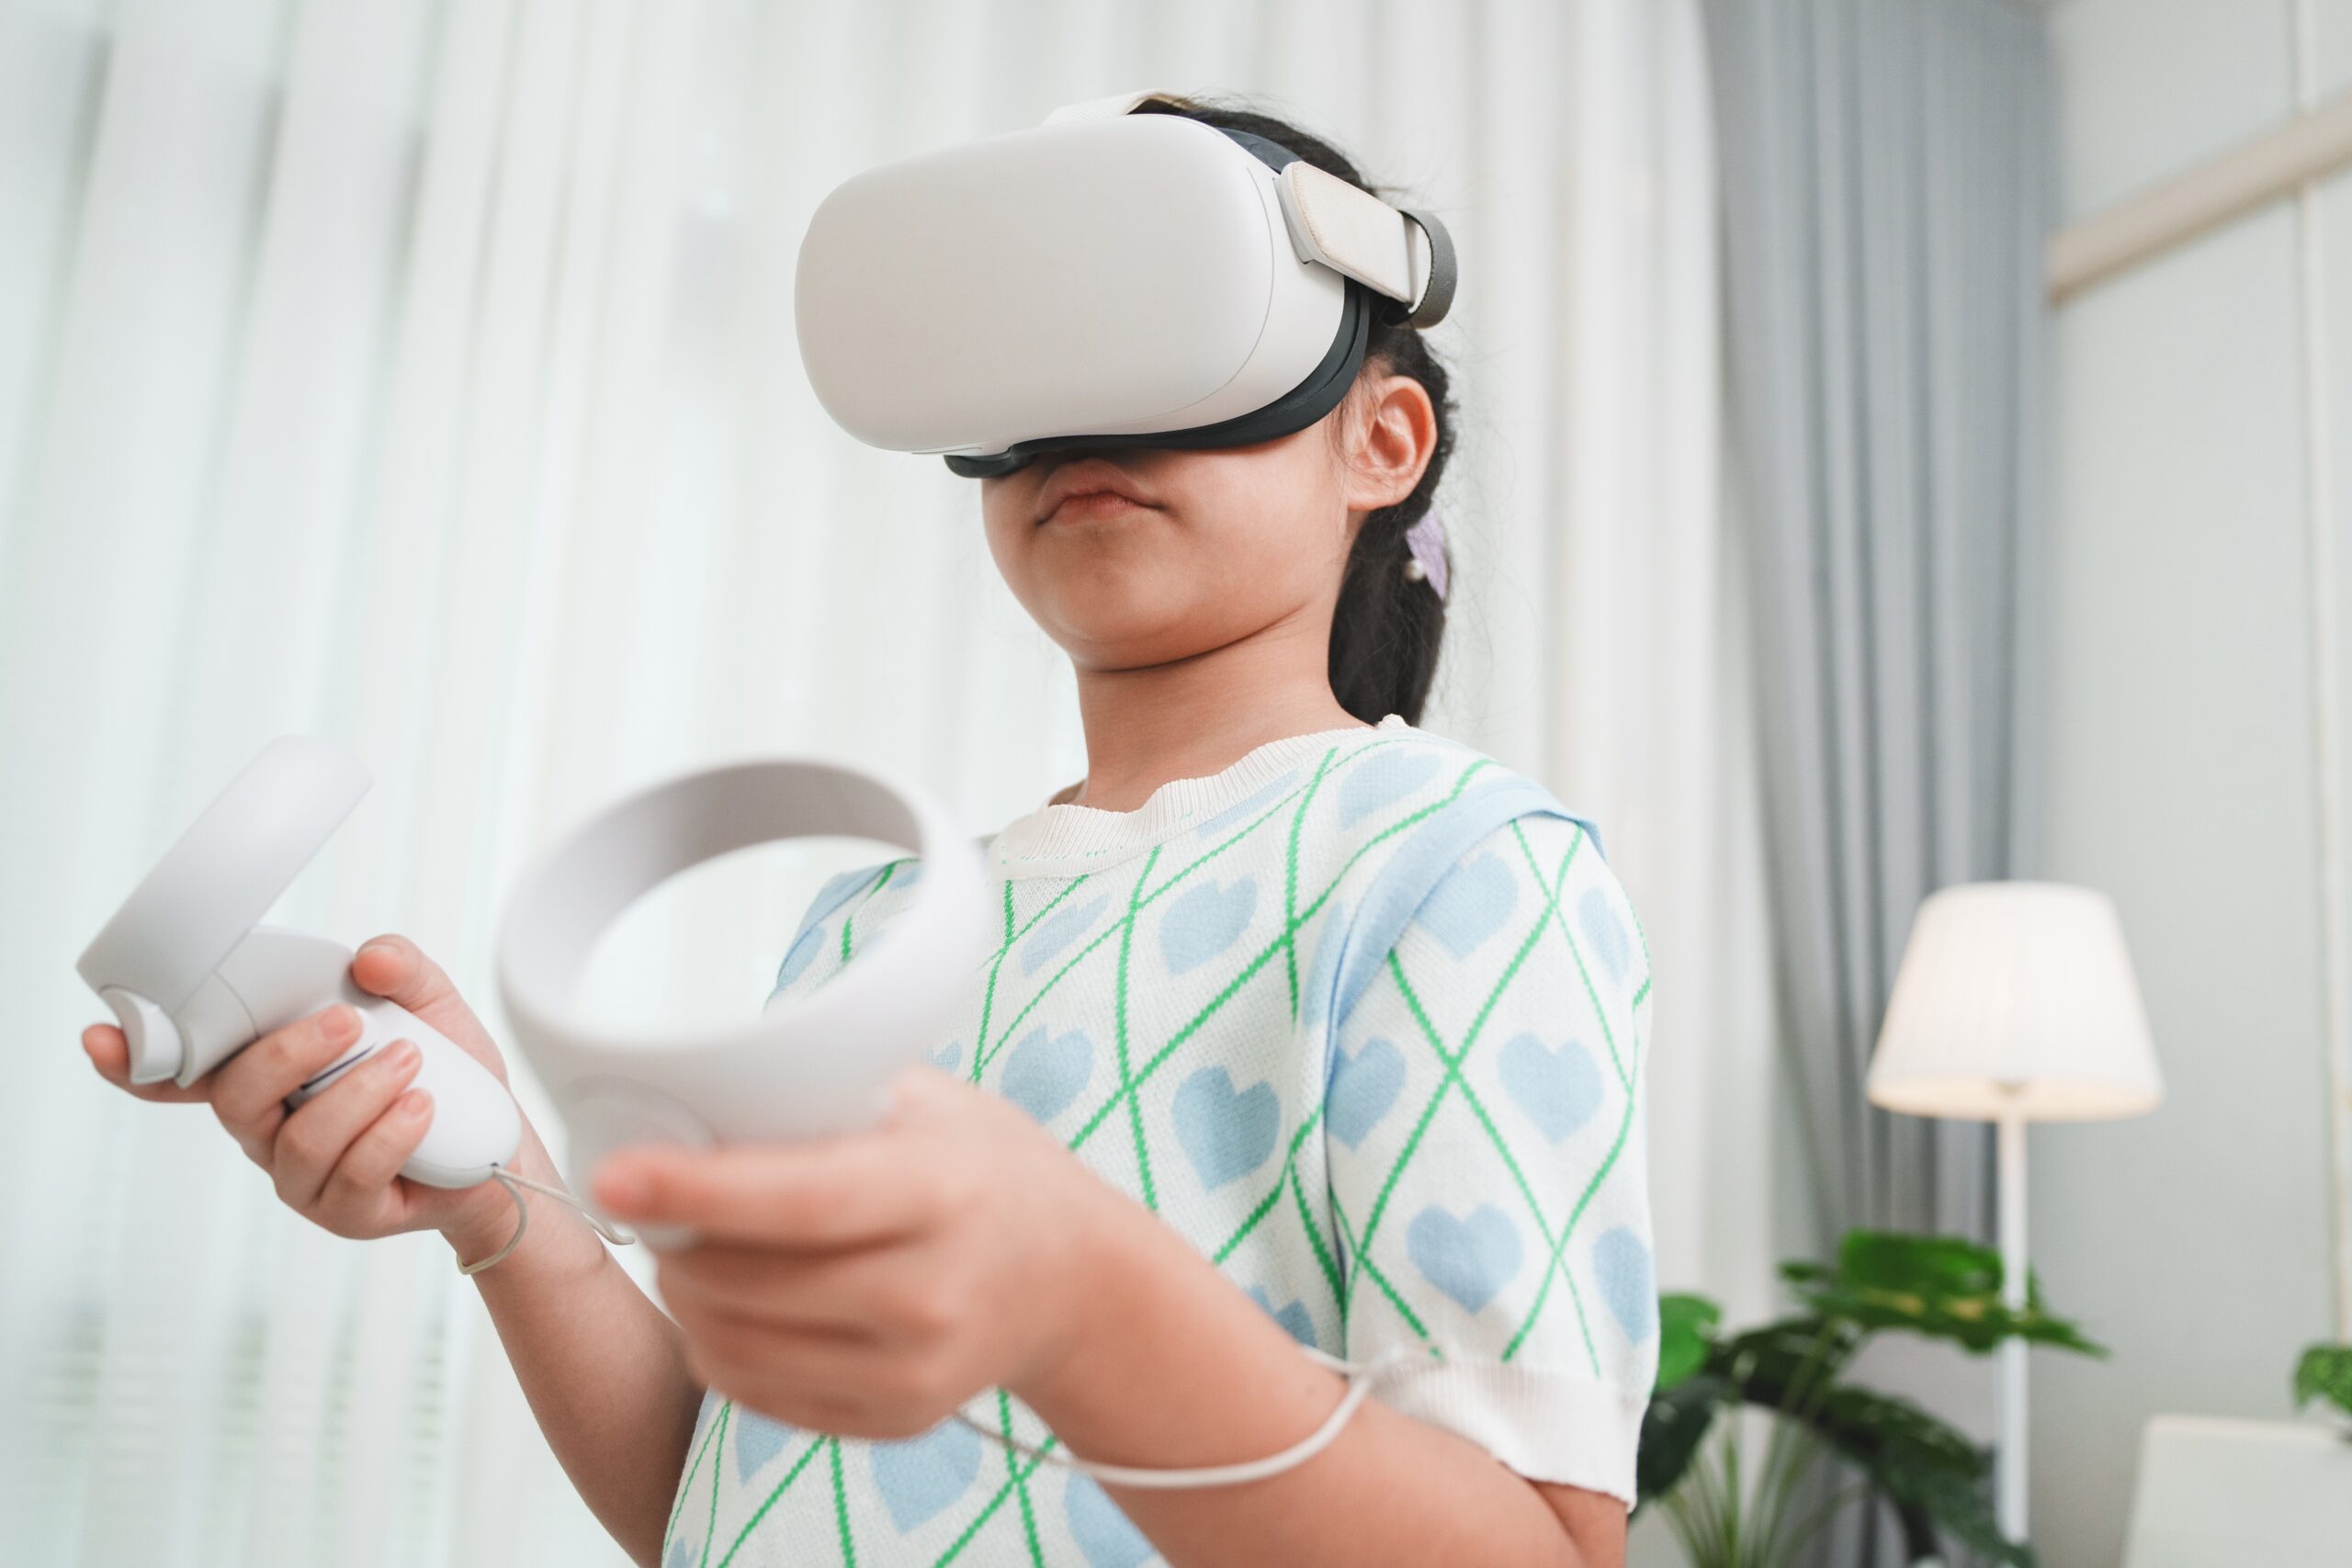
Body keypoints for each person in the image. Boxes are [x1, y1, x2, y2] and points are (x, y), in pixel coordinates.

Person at [82, 96, 1657, 1568]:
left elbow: (1544, 1547)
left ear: (1381, 441)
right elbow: (739, 1490)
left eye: (1163, 335)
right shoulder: (873, 925)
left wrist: (1080, 1297)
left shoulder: (1452, 867)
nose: (1079, 413)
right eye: (1029, 360)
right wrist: (503, 1206)